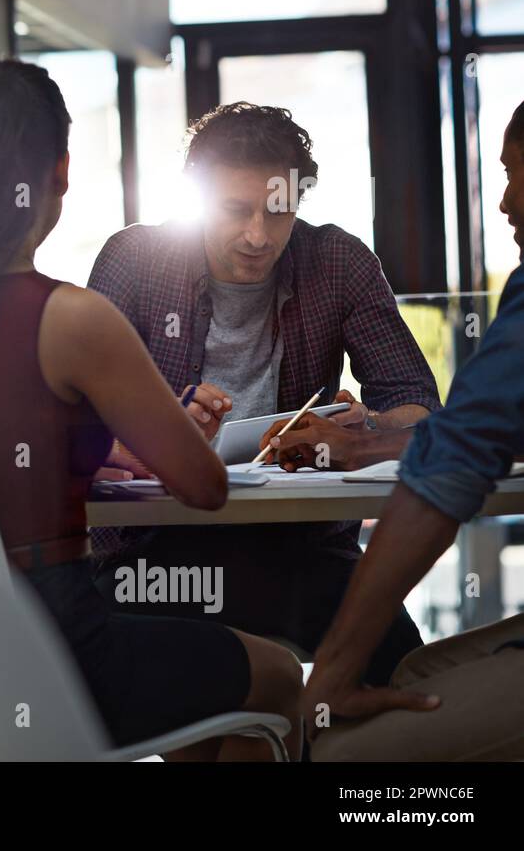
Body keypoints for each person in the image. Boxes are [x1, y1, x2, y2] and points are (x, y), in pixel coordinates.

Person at [0, 61, 303, 759]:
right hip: (55, 648)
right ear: (60, 172)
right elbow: (205, 487)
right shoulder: (73, 317)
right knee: (276, 673)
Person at [87, 102, 439, 684]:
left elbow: (422, 408)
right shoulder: (135, 261)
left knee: (402, 665)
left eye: (278, 212)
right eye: (236, 210)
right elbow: (76, 425)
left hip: (299, 546)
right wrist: (157, 431)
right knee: (196, 686)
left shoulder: (338, 261)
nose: (258, 235)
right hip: (153, 549)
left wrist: (364, 431)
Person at [304, 98, 524, 761]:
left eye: (518, 174)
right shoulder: (139, 266)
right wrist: (365, 443)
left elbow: (450, 455)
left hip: (303, 557)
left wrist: (332, 673)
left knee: (339, 752)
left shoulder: (337, 261)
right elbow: (484, 430)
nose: (506, 202)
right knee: (413, 670)